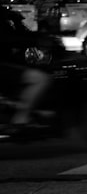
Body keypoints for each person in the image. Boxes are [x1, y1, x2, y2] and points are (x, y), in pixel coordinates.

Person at [0, 7, 53, 135]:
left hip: (7, 61)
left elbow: (17, 34)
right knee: (41, 79)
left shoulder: (5, 14)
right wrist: (37, 40)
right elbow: (8, 38)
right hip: (3, 65)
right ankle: (20, 119)